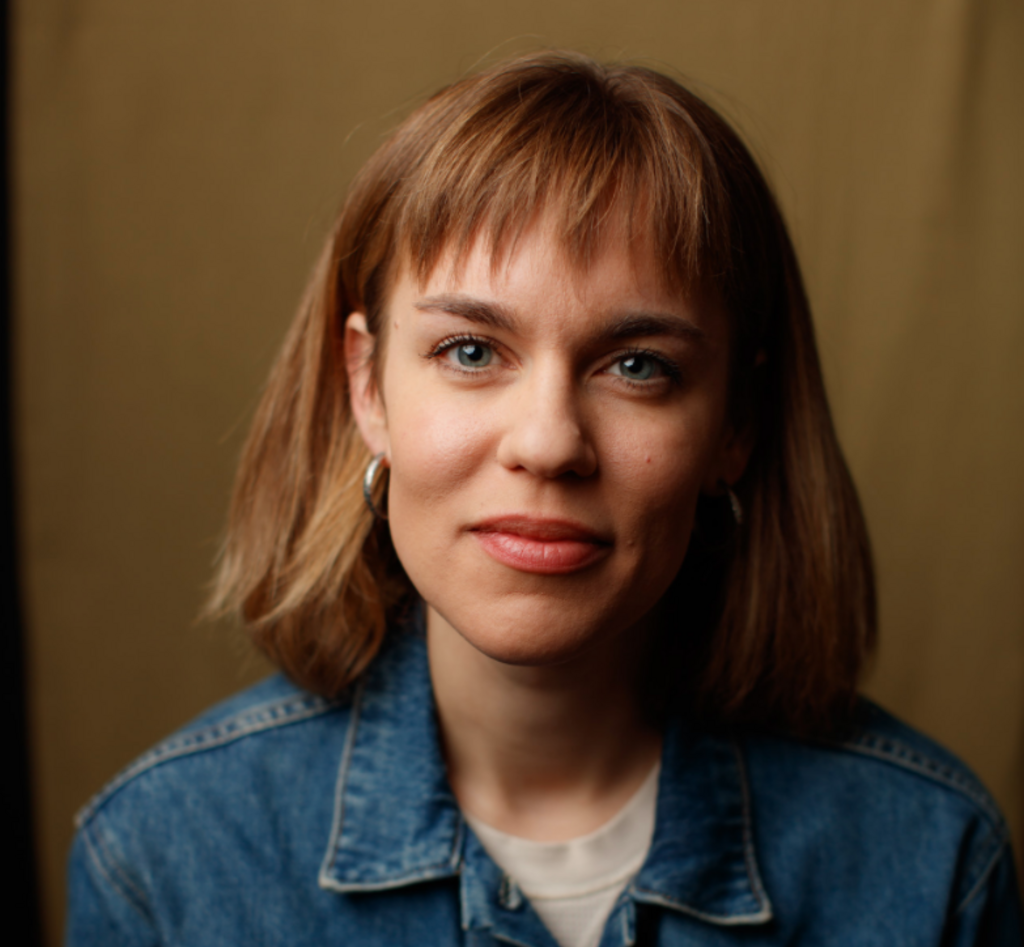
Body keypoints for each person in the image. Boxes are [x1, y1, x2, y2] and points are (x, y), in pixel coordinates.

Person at [66, 52, 1021, 946]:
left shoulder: (932, 859)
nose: (549, 443)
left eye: (638, 366)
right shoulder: (159, 859)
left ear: (736, 423)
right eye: (470, 351)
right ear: (368, 387)